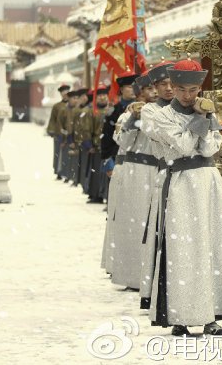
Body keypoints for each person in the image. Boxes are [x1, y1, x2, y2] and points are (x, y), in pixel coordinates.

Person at [142, 59, 222, 336]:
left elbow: (210, 147)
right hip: (180, 183)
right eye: (183, 90)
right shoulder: (156, 114)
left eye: (194, 90)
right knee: (184, 250)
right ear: (172, 88)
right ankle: (181, 316)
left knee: (212, 245)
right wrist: (200, 120)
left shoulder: (205, 113)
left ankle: (210, 315)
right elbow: (184, 146)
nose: (189, 96)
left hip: (208, 183)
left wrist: (207, 120)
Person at [103, 72, 160, 287]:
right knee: (135, 223)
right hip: (136, 173)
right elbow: (120, 140)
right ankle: (133, 273)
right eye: (150, 89)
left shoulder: (167, 113)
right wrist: (134, 119)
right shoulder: (127, 115)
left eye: (159, 87)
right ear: (140, 93)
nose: (155, 92)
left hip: (159, 170)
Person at [93, 75, 136, 204]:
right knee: (117, 197)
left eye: (135, 86)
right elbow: (106, 137)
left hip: (137, 160)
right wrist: (108, 161)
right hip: (118, 158)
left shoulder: (144, 108)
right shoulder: (113, 111)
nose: (133, 89)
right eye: (129, 86)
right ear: (121, 89)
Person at [83, 86, 113, 200]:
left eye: (104, 95)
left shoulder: (111, 110)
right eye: (99, 96)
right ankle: (95, 194)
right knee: (95, 172)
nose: (102, 98)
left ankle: (104, 194)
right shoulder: (92, 112)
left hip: (108, 146)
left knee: (106, 173)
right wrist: (89, 145)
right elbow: (86, 129)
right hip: (96, 146)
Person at [48, 84, 71, 178]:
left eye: (66, 91)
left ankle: (68, 172)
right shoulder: (57, 106)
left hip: (69, 133)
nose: (65, 93)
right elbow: (52, 120)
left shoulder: (72, 105)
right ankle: (58, 171)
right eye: (63, 91)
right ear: (61, 94)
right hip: (59, 133)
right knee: (58, 153)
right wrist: (52, 131)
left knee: (68, 153)